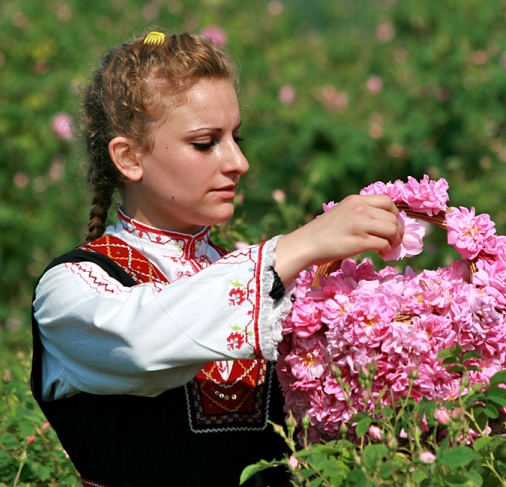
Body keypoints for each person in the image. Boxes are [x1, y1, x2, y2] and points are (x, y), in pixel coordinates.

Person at [31, 29, 403, 487]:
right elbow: (141, 342)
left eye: (235, 137)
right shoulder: (73, 287)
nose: (238, 162)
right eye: (206, 143)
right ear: (129, 158)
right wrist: (300, 245)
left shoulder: (258, 277)